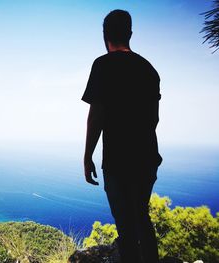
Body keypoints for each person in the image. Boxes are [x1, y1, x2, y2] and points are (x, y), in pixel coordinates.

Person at [82, 9, 163, 263]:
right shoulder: (149, 70)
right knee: (142, 217)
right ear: (129, 33)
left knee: (126, 228)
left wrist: (87, 156)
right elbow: (154, 119)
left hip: (117, 160)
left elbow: (96, 117)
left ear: (105, 35)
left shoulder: (102, 65)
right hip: (147, 158)